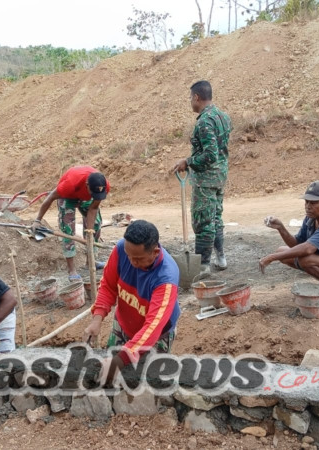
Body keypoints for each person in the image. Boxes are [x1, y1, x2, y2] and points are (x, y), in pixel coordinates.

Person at [83, 220, 181, 384]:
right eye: (129, 257)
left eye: (138, 259)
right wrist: (97, 318)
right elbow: (108, 285)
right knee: (107, 376)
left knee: (145, 384)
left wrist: (118, 361)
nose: (132, 263)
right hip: (123, 324)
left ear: (155, 252)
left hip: (155, 336)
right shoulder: (122, 249)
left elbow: (152, 327)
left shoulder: (166, 278)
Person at [170, 80, 232, 276]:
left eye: (190, 98)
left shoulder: (205, 121)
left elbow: (210, 154)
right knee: (215, 217)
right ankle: (220, 258)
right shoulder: (222, 116)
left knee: (203, 221)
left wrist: (187, 162)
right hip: (219, 176)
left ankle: (203, 266)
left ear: (197, 97)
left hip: (206, 179)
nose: (190, 102)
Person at [259, 181, 319, 285]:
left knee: (306, 259)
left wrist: (272, 257)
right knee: (281, 251)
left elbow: (307, 249)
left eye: (313, 203)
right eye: (306, 202)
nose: (308, 206)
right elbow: (297, 244)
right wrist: (281, 228)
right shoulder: (312, 217)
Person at [32, 166, 110, 282]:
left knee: (96, 225)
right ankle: (71, 269)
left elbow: (93, 208)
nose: (96, 196)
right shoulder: (69, 185)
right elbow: (50, 198)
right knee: (68, 229)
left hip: (84, 196)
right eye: (93, 193)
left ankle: (91, 261)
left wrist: (89, 231)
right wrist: (37, 220)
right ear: (87, 184)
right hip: (68, 197)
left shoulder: (102, 187)